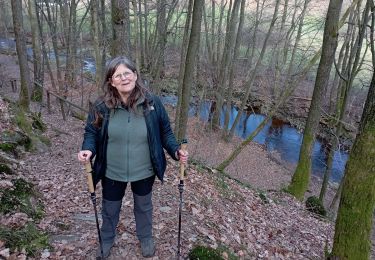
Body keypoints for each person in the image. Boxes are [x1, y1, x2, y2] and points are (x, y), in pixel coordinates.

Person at [77, 56, 188, 258]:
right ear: (111, 81)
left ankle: (145, 237)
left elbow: (166, 133)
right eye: (117, 75)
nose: (123, 78)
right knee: (110, 209)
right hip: (112, 170)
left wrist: (175, 151)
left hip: (144, 169)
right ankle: (107, 238)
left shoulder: (152, 103)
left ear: (135, 75)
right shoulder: (101, 106)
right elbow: (91, 132)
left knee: (144, 207)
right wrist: (88, 149)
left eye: (127, 73)